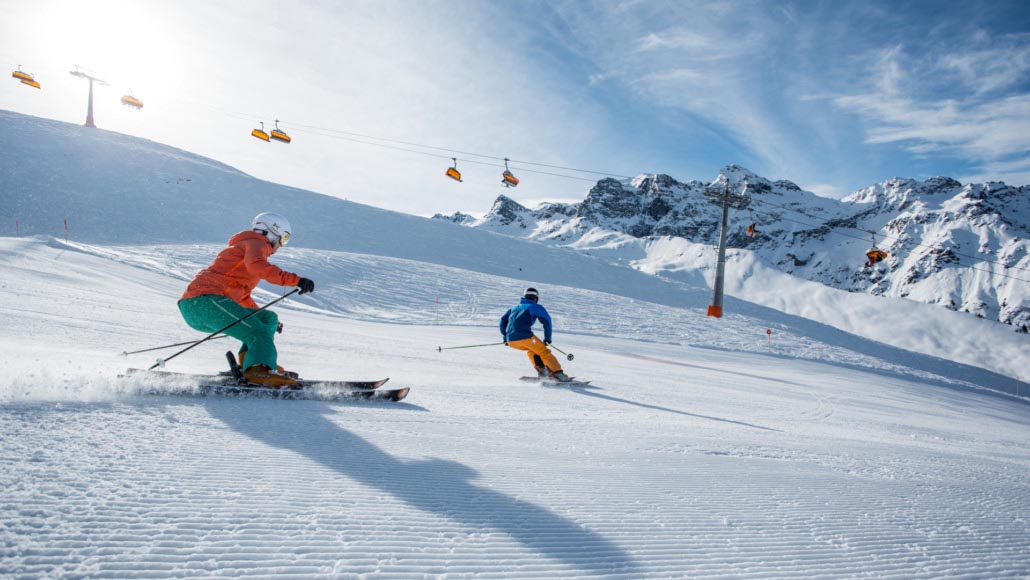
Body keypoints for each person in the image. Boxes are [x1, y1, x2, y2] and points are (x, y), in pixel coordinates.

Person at [178, 212, 315, 388]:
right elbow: (258, 267)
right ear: (273, 231)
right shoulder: (257, 242)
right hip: (204, 301)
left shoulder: (248, 246)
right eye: (284, 238)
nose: (281, 245)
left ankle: (250, 363)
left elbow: (242, 297)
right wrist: (295, 280)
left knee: (267, 320)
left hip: (204, 305)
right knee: (257, 332)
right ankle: (259, 370)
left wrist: (257, 317)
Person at [499, 287, 571, 382]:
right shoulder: (535, 307)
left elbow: (503, 320)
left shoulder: (514, 308)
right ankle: (558, 374)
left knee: (532, 350)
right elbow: (547, 321)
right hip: (525, 337)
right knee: (544, 352)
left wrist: (505, 337)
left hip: (511, 341)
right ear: (536, 298)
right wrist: (547, 338)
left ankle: (543, 371)